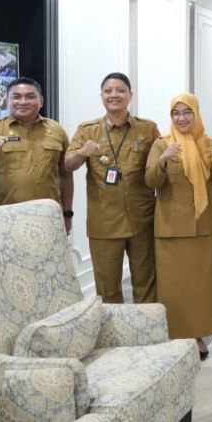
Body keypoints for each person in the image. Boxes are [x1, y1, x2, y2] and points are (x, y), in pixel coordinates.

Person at [65, 73, 160, 304]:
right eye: (108, 91)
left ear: (130, 95)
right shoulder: (87, 130)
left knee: (146, 284)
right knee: (108, 289)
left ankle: (145, 326)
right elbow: (68, 165)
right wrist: (81, 152)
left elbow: (157, 169)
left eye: (120, 90)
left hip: (142, 220)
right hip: (104, 223)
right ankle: (114, 328)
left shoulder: (147, 129)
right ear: (102, 96)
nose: (114, 95)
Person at [145, 93, 212, 361]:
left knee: (201, 287)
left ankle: (198, 336)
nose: (181, 118)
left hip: (204, 227)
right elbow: (150, 180)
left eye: (187, 112)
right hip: (171, 228)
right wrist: (164, 159)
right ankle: (175, 335)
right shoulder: (162, 143)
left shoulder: (209, 145)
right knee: (174, 287)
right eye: (176, 113)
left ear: (196, 114)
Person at [0, 77, 73, 228]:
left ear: (41, 101)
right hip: (7, 219)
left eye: (30, 96)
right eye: (16, 97)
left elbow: (66, 175)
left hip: (48, 218)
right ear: (7, 101)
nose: (23, 102)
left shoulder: (56, 129)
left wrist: (67, 213)